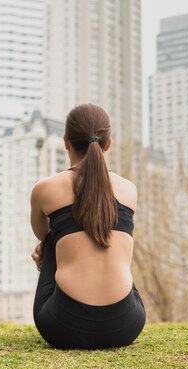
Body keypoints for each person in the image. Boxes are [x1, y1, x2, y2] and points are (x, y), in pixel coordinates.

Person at [29, 103, 146, 350]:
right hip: (125, 326)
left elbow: (42, 235)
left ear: (66, 141)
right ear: (108, 144)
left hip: (62, 327)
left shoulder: (45, 188)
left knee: (51, 239)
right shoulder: (129, 189)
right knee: (115, 239)